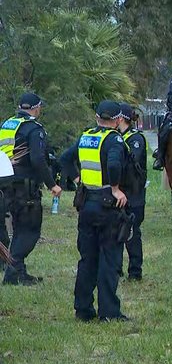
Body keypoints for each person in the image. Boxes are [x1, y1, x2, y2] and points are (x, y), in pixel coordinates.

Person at [60, 100, 132, 322]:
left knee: (87, 258)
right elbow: (113, 165)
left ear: (97, 118)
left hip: (87, 205)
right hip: (107, 207)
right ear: (118, 120)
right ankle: (109, 312)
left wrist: (77, 178)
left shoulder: (86, 136)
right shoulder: (114, 140)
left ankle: (83, 309)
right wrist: (116, 189)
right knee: (109, 260)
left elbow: (65, 159)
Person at [0, 93, 62, 285]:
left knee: (19, 228)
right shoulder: (34, 129)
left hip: (5, 184)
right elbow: (37, 159)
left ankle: (19, 271)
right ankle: (13, 272)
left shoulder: (7, 125)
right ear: (37, 108)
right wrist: (52, 184)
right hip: (24, 186)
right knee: (30, 230)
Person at [117, 103, 147, 282]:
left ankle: (135, 271)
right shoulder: (117, 137)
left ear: (121, 119)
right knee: (115, 232)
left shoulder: (135, 138)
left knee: (132, 233)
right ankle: (116, 268)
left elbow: (132, 162)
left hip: (134, 194)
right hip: (119, 192)